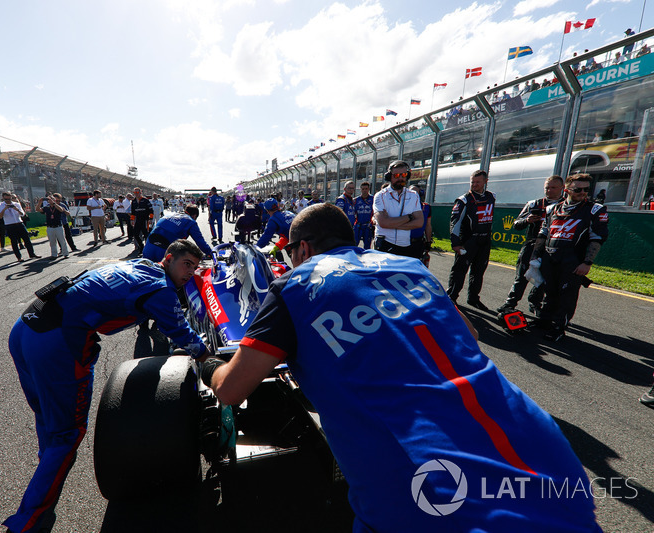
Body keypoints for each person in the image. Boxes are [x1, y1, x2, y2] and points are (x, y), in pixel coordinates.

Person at [200, 203, 600, 533]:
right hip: (535, 443)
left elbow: (232, 390)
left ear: (302, 249)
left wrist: (212, 369)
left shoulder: (296, 284)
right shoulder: (412, 268)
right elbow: (469, 335)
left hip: (431, 471)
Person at [4, 240, 208, 533]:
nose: (190, 272)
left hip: (26, 327)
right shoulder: (162, 290)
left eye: (194, 267)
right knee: (67, 435)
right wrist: (208, 357)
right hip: (56, 343)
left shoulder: (141, 265)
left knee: (48, 420)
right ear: (169, 258)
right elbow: (182, 333)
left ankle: (47, 470)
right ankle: (29, 522)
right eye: (186, 264)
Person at [533, 173, 609, 341]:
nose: (583, 192)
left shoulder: (595, 209)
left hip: (573, 260)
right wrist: (535, 256)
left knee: (566, 296)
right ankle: (544, 321)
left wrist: (587, 262)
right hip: (550, 256)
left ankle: (559, 327)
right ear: (567, 190)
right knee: (549, 291)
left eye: (586, 189)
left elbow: (597, 238)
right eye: (578, 189)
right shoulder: (552, 209)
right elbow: (543, 232)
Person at [497, 176, 564, 315]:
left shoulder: (566, 206)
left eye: (553, 187)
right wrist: (527, 220)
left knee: (544, 279)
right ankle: (510, 303)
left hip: (552, 248)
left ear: (562, 188)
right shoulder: (534, 204)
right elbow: (516, 224)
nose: (549, 190)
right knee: (521, 277)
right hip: (531, 245)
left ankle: (535, 303)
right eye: (547, 187)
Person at [447, 169, 495, 310]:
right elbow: (454, 222)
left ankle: (473, 298)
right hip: (468, 241)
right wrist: (456, 243)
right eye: (472, 182)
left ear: (485, 182)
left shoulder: (492, 197)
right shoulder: (463, 200)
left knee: (479, 271)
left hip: (485, 241)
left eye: (477, 182)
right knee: (459, 271)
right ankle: (451, 297)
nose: (474, 185)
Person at [372, 161, 423, 256]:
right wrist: (409, 217)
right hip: (385, 244)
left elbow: (419, 222)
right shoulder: (380, 196)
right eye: (396, 175)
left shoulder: (413, 195)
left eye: (403, 175)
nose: (400, 178)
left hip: (405, 245)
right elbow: (383, 223)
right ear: (389, 177)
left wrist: (391, 224)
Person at [142, 205, 212, 262]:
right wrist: (210, 253)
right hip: (163, 252)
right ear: (194, 216)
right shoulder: (190, 222)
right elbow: (200, 241)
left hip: (148, 247)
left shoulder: (168, 215)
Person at [0, 191, 39, 262]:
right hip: (9, 225)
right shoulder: (0, 205)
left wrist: (16, 209)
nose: (8, 201)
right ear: (3, 199)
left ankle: (32, 254)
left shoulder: (16, 204)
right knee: (14, 242)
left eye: (9, 199)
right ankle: (19, 257)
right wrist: (5, 209)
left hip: (19, 223)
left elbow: (22, 214)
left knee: (27, 239)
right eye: (6, 199)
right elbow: (0, 216)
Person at [36, 195, 69, 259]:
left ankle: (65, 253)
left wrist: (54, 203)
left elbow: (61, 210)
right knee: (52, 242)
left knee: (62, 240)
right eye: (49, 199)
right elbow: (38, 209)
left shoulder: (57, 206)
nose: (50, 201)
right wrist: (40, 202)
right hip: (50, 227)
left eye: (52, 199)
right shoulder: (47, 207)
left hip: (58, 226)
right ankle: (54, 254)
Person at [408, 185, 433, 264]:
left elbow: (428, 225)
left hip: (418, 242)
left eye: (415, 192)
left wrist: (428, 242)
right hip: (404, 241)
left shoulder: (426, 207)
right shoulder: (403, 206)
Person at [130, 187, 153, 255]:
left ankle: (147, 249)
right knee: (135, 234)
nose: (136, 194)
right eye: (135, 193)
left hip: (145, 220)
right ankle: (141, 246)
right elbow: (133, 212)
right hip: (138, 220)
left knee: (146, 235)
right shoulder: (133, 201)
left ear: (141, 192)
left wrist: (150, 218)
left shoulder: (145, 200)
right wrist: (132, 220)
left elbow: (151, 210)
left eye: (137, 192)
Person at [353, 182, 374, 249]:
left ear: (369, 189)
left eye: (366, 189)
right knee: (354, 244)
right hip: (358, 226)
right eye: (363, 189)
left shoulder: (373, 199)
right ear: (360, 189)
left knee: (367, 246)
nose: (365, 190)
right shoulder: (355, 200)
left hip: (368, 226)